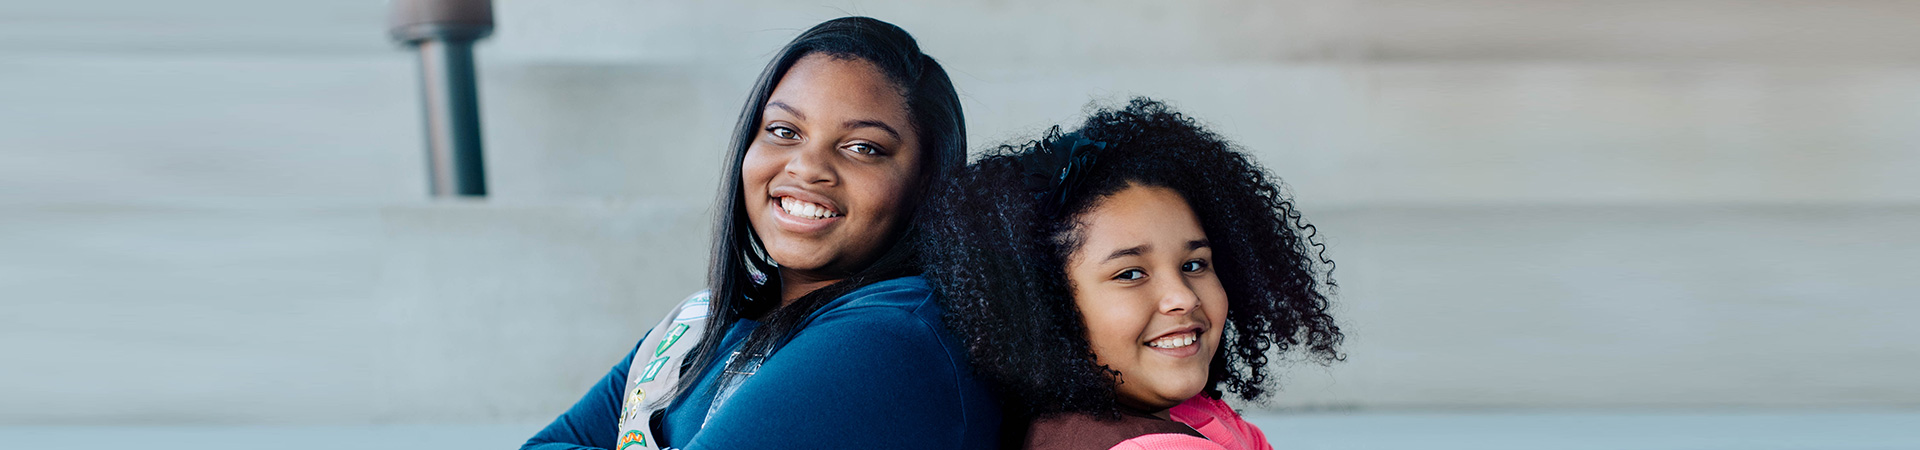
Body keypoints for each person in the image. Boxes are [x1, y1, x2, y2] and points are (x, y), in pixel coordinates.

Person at [523, 17, 998, 450]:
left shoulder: (890, 335)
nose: (808, 167)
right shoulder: (703, 320)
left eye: (863, 147)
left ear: (926, 185)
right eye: (784, 131)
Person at [920, 98, 1343, 450]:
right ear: (1049, 309)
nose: (1183, 297)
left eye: (1194, 265)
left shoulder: (1172, 414)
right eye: (1130, 274)